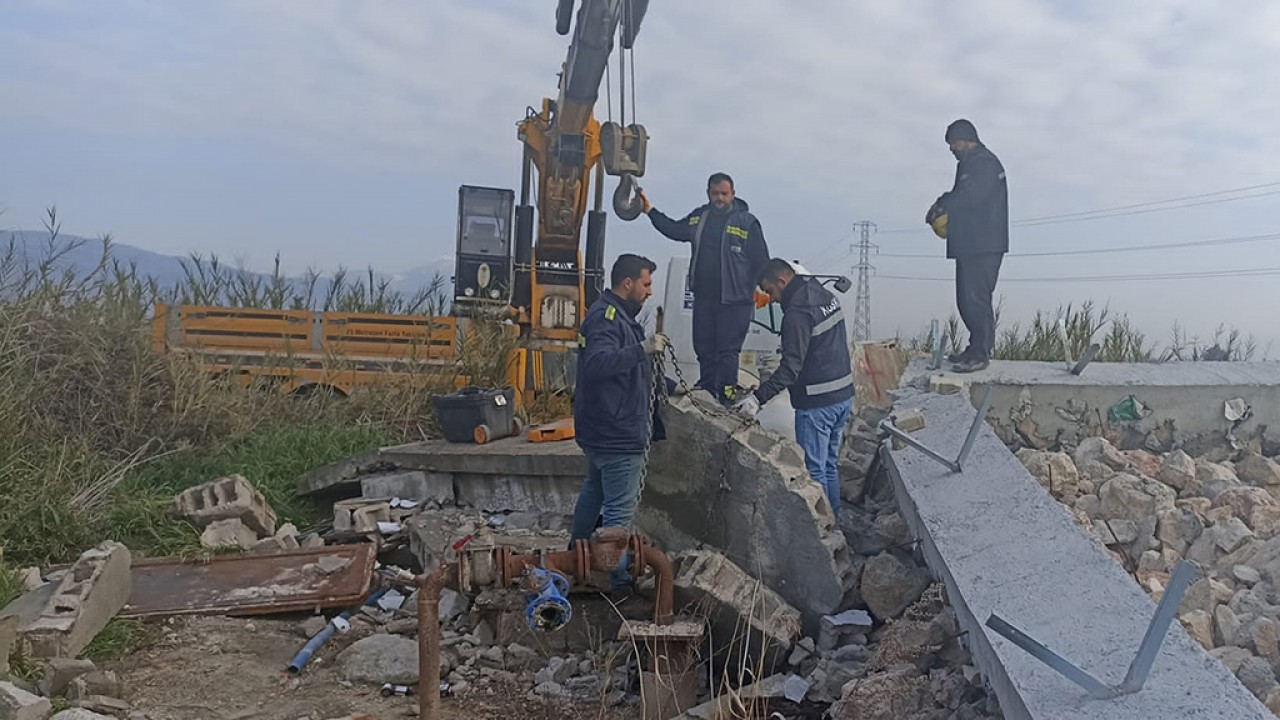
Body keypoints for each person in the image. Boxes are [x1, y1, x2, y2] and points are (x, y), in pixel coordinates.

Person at [732, 259, 853, 519]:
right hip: (842, 396)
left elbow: (790, 369)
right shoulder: (823, 295)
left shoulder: (797, 315)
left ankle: (823, 529)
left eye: (771, 291)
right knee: (829, 465)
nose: (772, 299)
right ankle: (837, 520)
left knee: (815, 471)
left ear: (783, 281)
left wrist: (757, 398)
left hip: (817, 403)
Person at [638, 173, 769, 403]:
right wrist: (650, 211)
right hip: (705, 298)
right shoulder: (700, 217)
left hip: (735, 301)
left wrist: (762, 287)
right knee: (704, 347)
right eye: (715, 193)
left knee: (727, 351)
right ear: (708, 193)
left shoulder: (747, 222)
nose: (719, 198)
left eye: (724, 194)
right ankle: (707, 388)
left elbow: (761, 260)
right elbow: (674, 229)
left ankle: (726, 394)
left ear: (733, 194)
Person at [570, 253, 668, 548]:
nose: (650, 291)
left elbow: (629, 372)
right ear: (628, 282)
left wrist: (668, 385)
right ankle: (616, 582)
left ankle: (576, 557)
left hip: (603, 429)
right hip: (618, 433)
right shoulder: (607, 317)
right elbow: (599, 363)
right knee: (618, 514)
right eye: (646, 284)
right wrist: (643, 348)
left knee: (595, 491)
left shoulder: (615, 315)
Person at [927, 118, 1009, 373]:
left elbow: (970, 197)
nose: (951, 148)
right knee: (966, 299)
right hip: (971, 243)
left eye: (953, 142)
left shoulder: (983, 162)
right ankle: (974, 349)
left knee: (976, 299)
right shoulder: (970, 163)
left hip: (983, 244)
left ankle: (981, 354)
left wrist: (941, 204)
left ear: (966, 139)